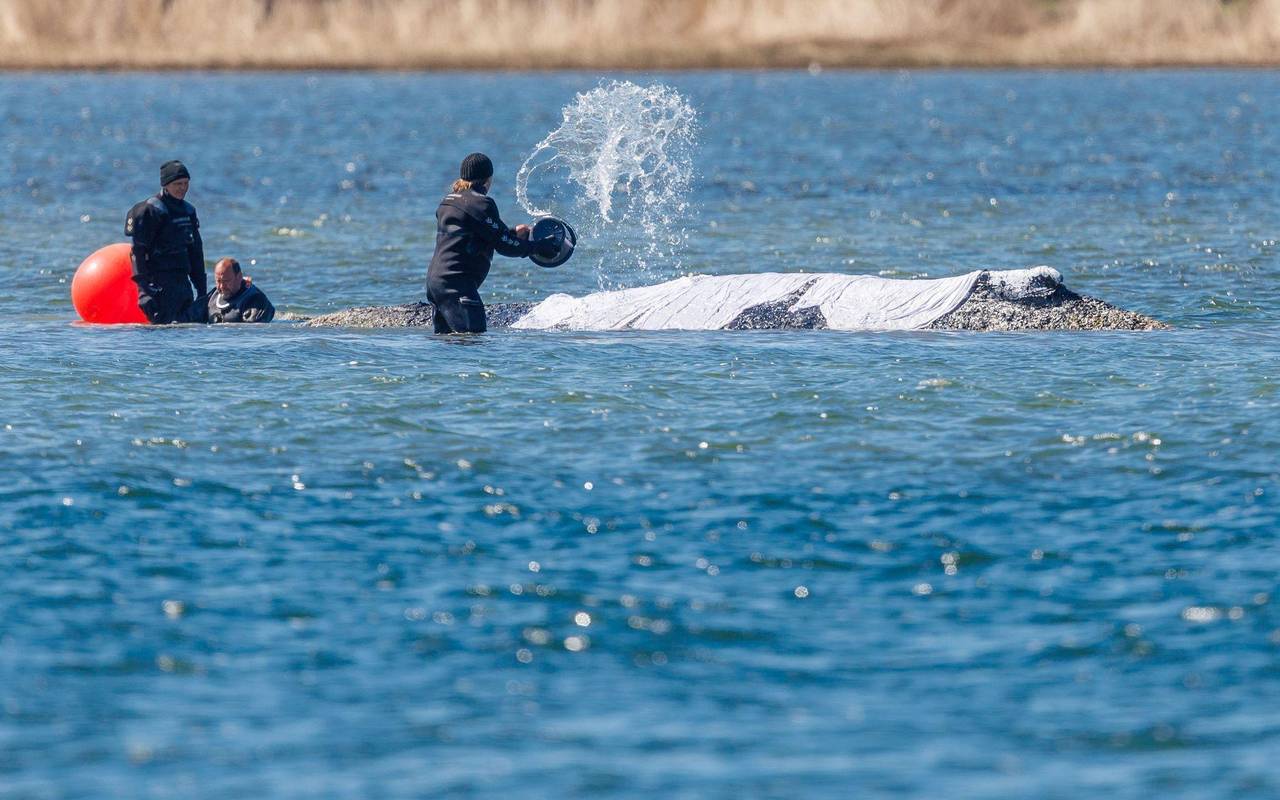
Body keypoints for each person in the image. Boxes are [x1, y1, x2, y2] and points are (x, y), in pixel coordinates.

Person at [426, 152, 542, 334]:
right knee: (474, 340)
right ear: (489, 178)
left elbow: (476, 235)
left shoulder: (448, 202)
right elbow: (505, 246)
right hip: (458, 286)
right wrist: (538, 247)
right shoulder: (481, 203)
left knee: (446, 345)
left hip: (435, 284)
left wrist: (512, 233)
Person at [125, 160, 206, 324]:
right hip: (158, 287)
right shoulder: (150, 211)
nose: (182, 188)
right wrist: (143, 291)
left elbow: (196, 253)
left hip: (182, 285)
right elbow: (138, 253)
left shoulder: (188, 211)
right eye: (178, 184)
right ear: (165, 184)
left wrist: (202, 290)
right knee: (162, 332)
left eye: (186, 183)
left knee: (186, 331)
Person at [189, 258, 275, 323]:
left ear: (239, 277)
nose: (222, 286)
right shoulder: (212, 298)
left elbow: (251, 335)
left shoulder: (255, 300)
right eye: (218, 281)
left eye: (226, 281)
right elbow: (187, 319)